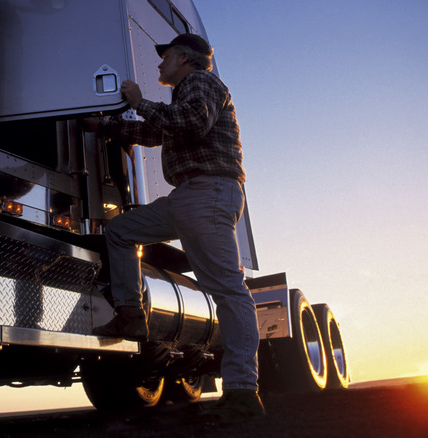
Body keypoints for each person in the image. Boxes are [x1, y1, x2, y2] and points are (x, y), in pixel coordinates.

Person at [88, 34, 265, 422]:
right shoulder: (185, 90)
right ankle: (132, 314)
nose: (159, 64)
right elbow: (158, 133)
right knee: (120, 231)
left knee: (228, 290)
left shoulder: (201, 82)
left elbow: (190, 123)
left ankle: (242, 390)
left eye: (165, 56)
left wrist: (138, 103)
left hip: (209, 191)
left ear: (184, 57)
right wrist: (109, 128)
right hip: (190, 196)